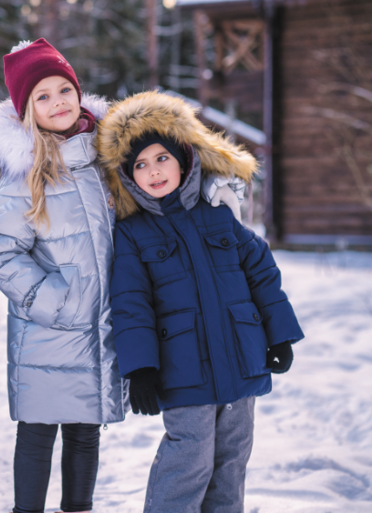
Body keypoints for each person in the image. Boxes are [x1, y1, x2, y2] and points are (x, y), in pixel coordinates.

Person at [102, 91, 305, 512]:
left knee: (231, 460)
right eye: (140, 164)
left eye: (162, 158)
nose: (153, 171)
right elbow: (131, 303)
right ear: (128, 176)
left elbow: (261, 273)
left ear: (184, 159)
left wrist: (279, 334)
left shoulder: (219, 214)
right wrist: (140, 368)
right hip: (183, 369)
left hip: (241, 358)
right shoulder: (133, 233)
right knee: (189, 459)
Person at [0, 38, 126, 513]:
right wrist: (53, 300)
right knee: (38, 433)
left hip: (99, 325)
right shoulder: (23, 173)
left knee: (85, 433)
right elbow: (0, 248)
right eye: (42, 96)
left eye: (65, 89)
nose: (58, 102)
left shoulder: (105, 159)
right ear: (27, 110)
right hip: (47, 329)